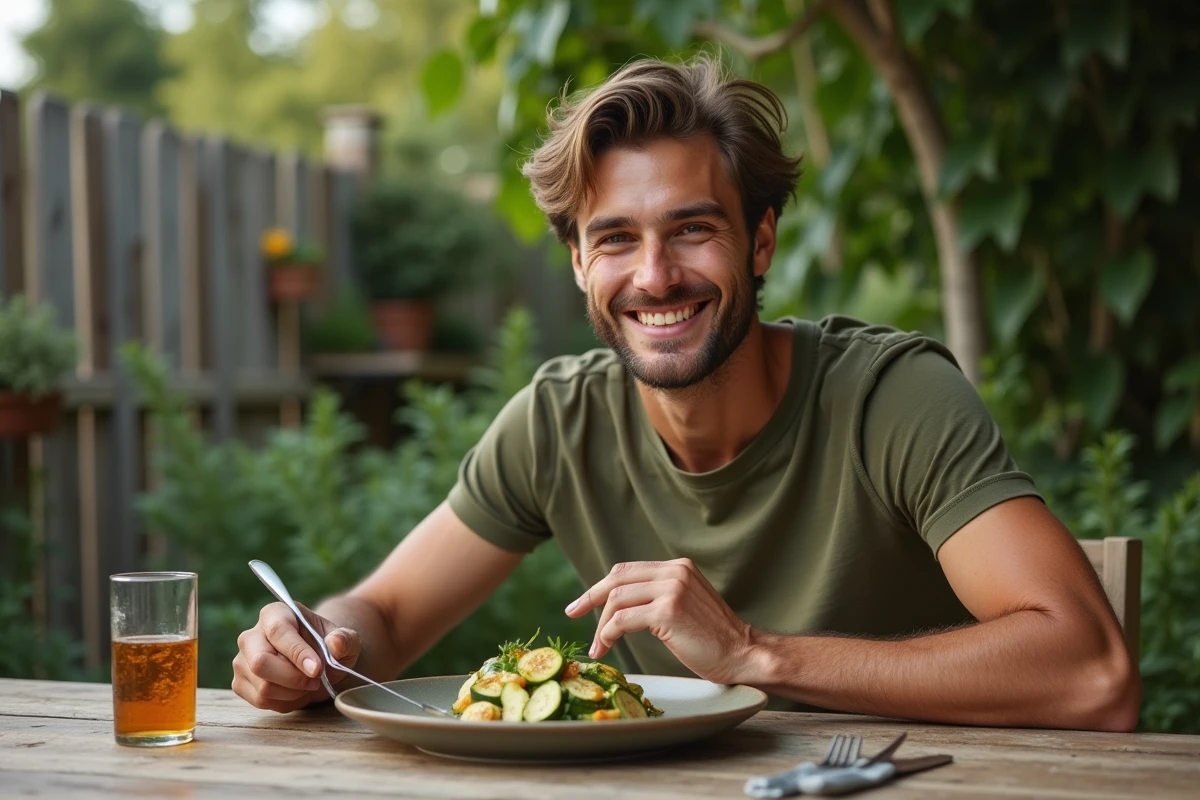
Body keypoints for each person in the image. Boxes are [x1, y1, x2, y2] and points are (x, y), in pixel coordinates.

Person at [232, 55, 1141, 731]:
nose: (655, 275)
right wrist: (318, 641)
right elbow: (384, 617)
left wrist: (753, 652)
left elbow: (1093, 673)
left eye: (693, 228)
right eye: (616, 239)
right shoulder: (559, 422)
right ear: (581, 262)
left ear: (761, 241)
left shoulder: (891, 398)